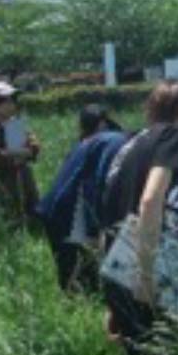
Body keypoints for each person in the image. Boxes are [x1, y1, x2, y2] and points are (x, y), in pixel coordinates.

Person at [99, 82, 178, 355]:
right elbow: (150, 201)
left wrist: (111, 288)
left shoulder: (131, 142)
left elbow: (109, 206)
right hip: (141, 266)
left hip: (116, 263)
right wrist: (145, 275)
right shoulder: (172, 136)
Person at [37, 105, 127, 294]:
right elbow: (96, 187)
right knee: (74, 277)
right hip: (65, 212)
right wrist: (97, 228)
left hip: (62, 209)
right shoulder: (111, 145)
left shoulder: (92, 144)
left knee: (85, 276)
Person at [0, 81, 41, 227]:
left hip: (25, 179)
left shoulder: (15, 123)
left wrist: (27, 150)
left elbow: (34, 147)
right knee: (12, 222)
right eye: (4, 100)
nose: (10, 104)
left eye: (12, 100)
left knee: (34, 219)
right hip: (4, 185)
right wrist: (22, 153)